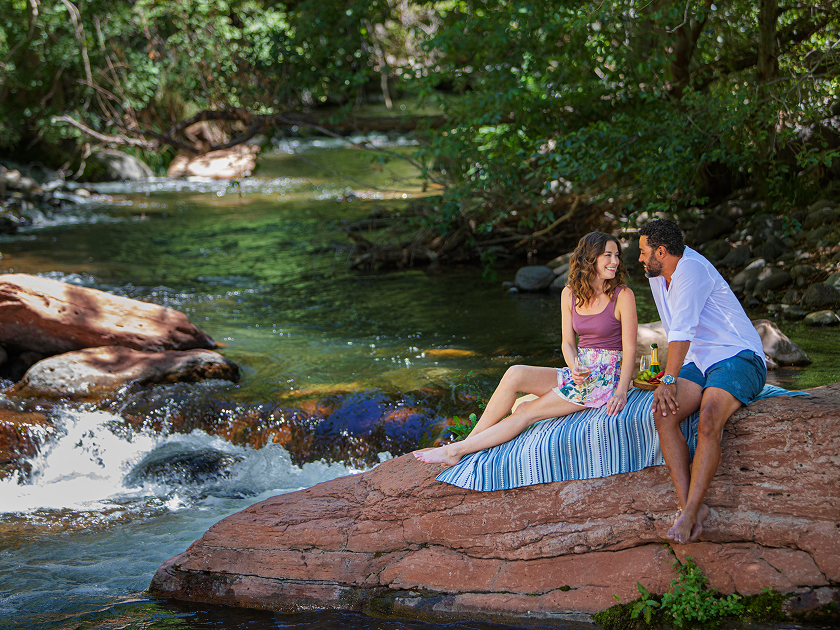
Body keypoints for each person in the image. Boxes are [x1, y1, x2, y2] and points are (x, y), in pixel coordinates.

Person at [414, 232, 638, 466]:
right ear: (590, 258)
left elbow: (630, 348)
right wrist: (574, 366)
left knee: (524, 410)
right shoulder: (569, 293)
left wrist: (621, 391)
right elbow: (568, 343)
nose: (615, 261)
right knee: (515, 374)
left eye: (617, 256)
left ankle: (455, 451)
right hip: (580, 373)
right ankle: (467, 444)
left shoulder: (623, 295)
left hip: (603, 380)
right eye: (608, 255)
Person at [638, 219, 766, 544]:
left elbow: (680, 331)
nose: (640, 258)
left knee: (708, 419)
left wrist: (668, 378)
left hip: (738, 355)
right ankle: (689, 508)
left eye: (643, 252)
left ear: (662, 252)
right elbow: (677, 331)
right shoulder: (657, 275)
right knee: (663, 413)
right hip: (700, 359)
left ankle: (690, 510)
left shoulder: (691, 269)